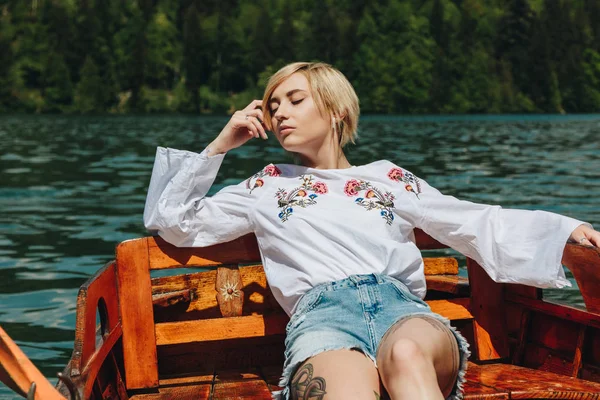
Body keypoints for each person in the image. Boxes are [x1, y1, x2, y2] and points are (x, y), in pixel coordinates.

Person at [143, 62, 600, 400]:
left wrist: (564, 231)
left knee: (405, 355)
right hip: (322, 320)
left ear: (336, 108)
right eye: (273, 104)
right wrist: (222, 143)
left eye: (295, 100)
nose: (279, 112)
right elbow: (172, 220)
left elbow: (469, 219)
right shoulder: (265, 185)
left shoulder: (389, 177)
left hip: (403, 311)